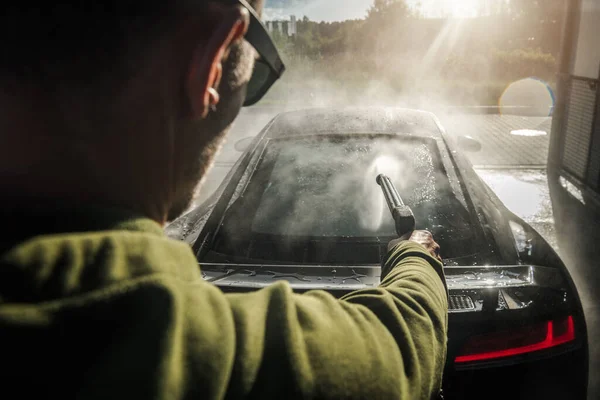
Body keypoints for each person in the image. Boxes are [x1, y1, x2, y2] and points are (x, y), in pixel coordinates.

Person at [0, 1, 448, 398]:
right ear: (210, 62)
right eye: (257, 78)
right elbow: (400, 346)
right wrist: (415, 256)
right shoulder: (182, 349)